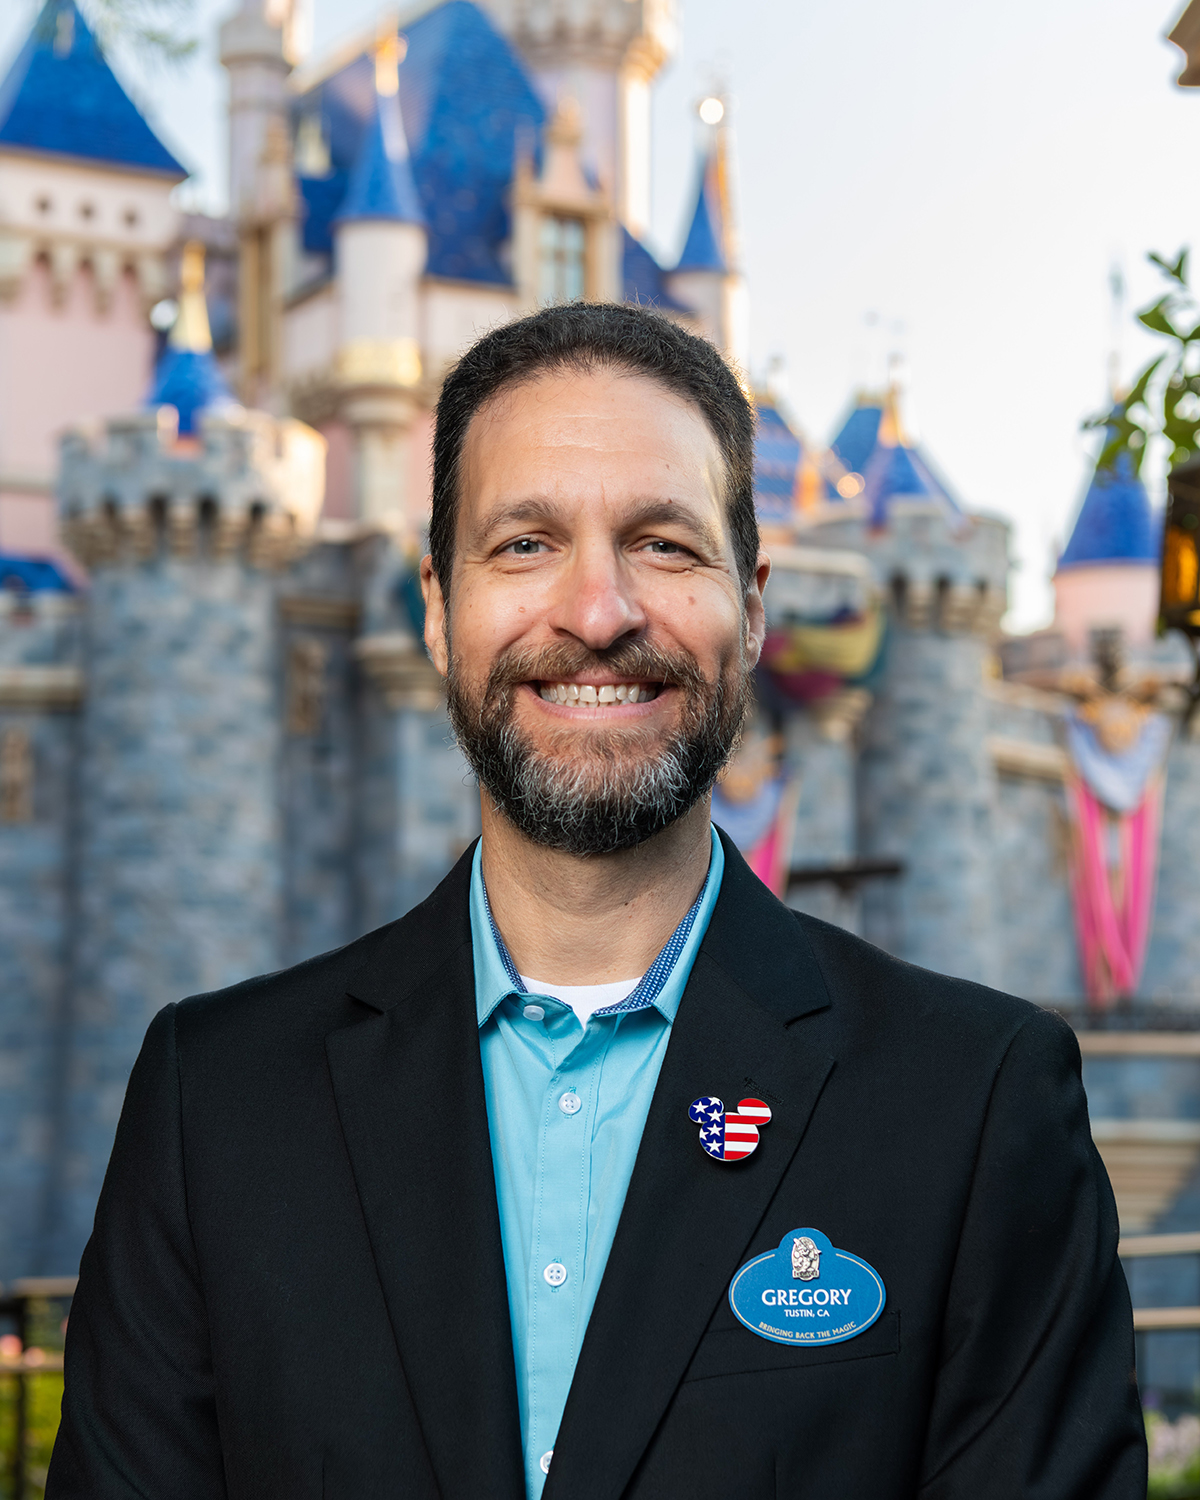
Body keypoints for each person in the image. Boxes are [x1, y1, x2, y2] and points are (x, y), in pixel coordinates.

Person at [48, 303, 1146, 1499]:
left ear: (755, 605)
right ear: (434, 606)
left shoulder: (975, 1106)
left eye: (665, 545)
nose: (598, 611)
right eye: (524, 545)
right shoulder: (214, 1106)